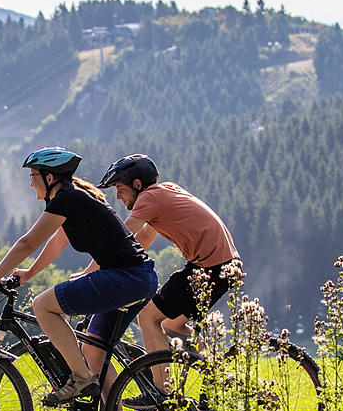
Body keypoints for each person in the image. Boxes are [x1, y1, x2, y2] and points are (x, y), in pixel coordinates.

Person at [0, 148, 157, 405]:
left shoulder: (67, 199)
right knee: (94, 352)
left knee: (42, 306)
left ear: (50, 178)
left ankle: (81, 378)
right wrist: (28, 273)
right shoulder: (74, 197)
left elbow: (28, 243)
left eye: (34, 175)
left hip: (124, 278)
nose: (30, 182)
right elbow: (57, 241)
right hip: (139, 278)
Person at [95, 153, 241, 372]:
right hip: (225, 266)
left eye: (120, 188)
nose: (118, 196)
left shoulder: (148, 198)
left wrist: (93, 271)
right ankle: (214, 371)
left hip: (208, 267)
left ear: (137, 184)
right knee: (169, 323)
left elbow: (121, 238)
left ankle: (162, 388)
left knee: (147, 317)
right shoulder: (166, 191)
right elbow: (144, 237)